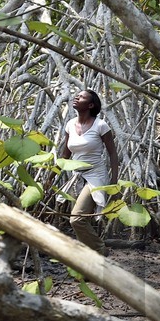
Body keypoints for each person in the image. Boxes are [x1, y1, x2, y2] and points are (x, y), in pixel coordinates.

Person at [57, 88, 119, 253]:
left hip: (95, 175)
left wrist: (114, 181)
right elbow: (65, 153)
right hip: (76, 176)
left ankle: (100, 250)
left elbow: (113, 153)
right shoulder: (70, 124)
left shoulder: (100, 125)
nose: (76, 97)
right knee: (82, 218)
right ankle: (89, 257)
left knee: (76, 219)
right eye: (76, 95)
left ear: (91, 105)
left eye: (82, 97)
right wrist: (52, 175)